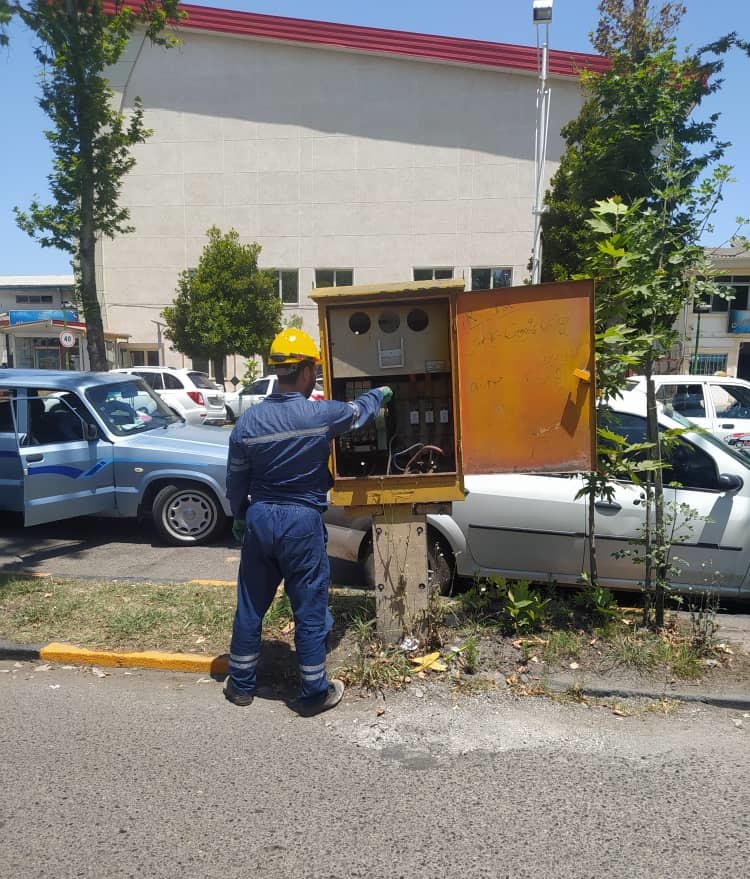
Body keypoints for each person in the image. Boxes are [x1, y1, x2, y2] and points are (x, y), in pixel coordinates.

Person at [224, 327, 392, 716]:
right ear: (302, 372)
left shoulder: (248, 423)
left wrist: (238, 516)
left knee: (250, 603)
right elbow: (358, 413)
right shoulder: (320, 414)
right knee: (310, 606)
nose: (315, 376)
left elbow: (235, 479)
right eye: (313, 369)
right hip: (301, 522)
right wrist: (379, 394)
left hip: (260, 518)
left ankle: (241, 685)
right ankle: (314, 691)